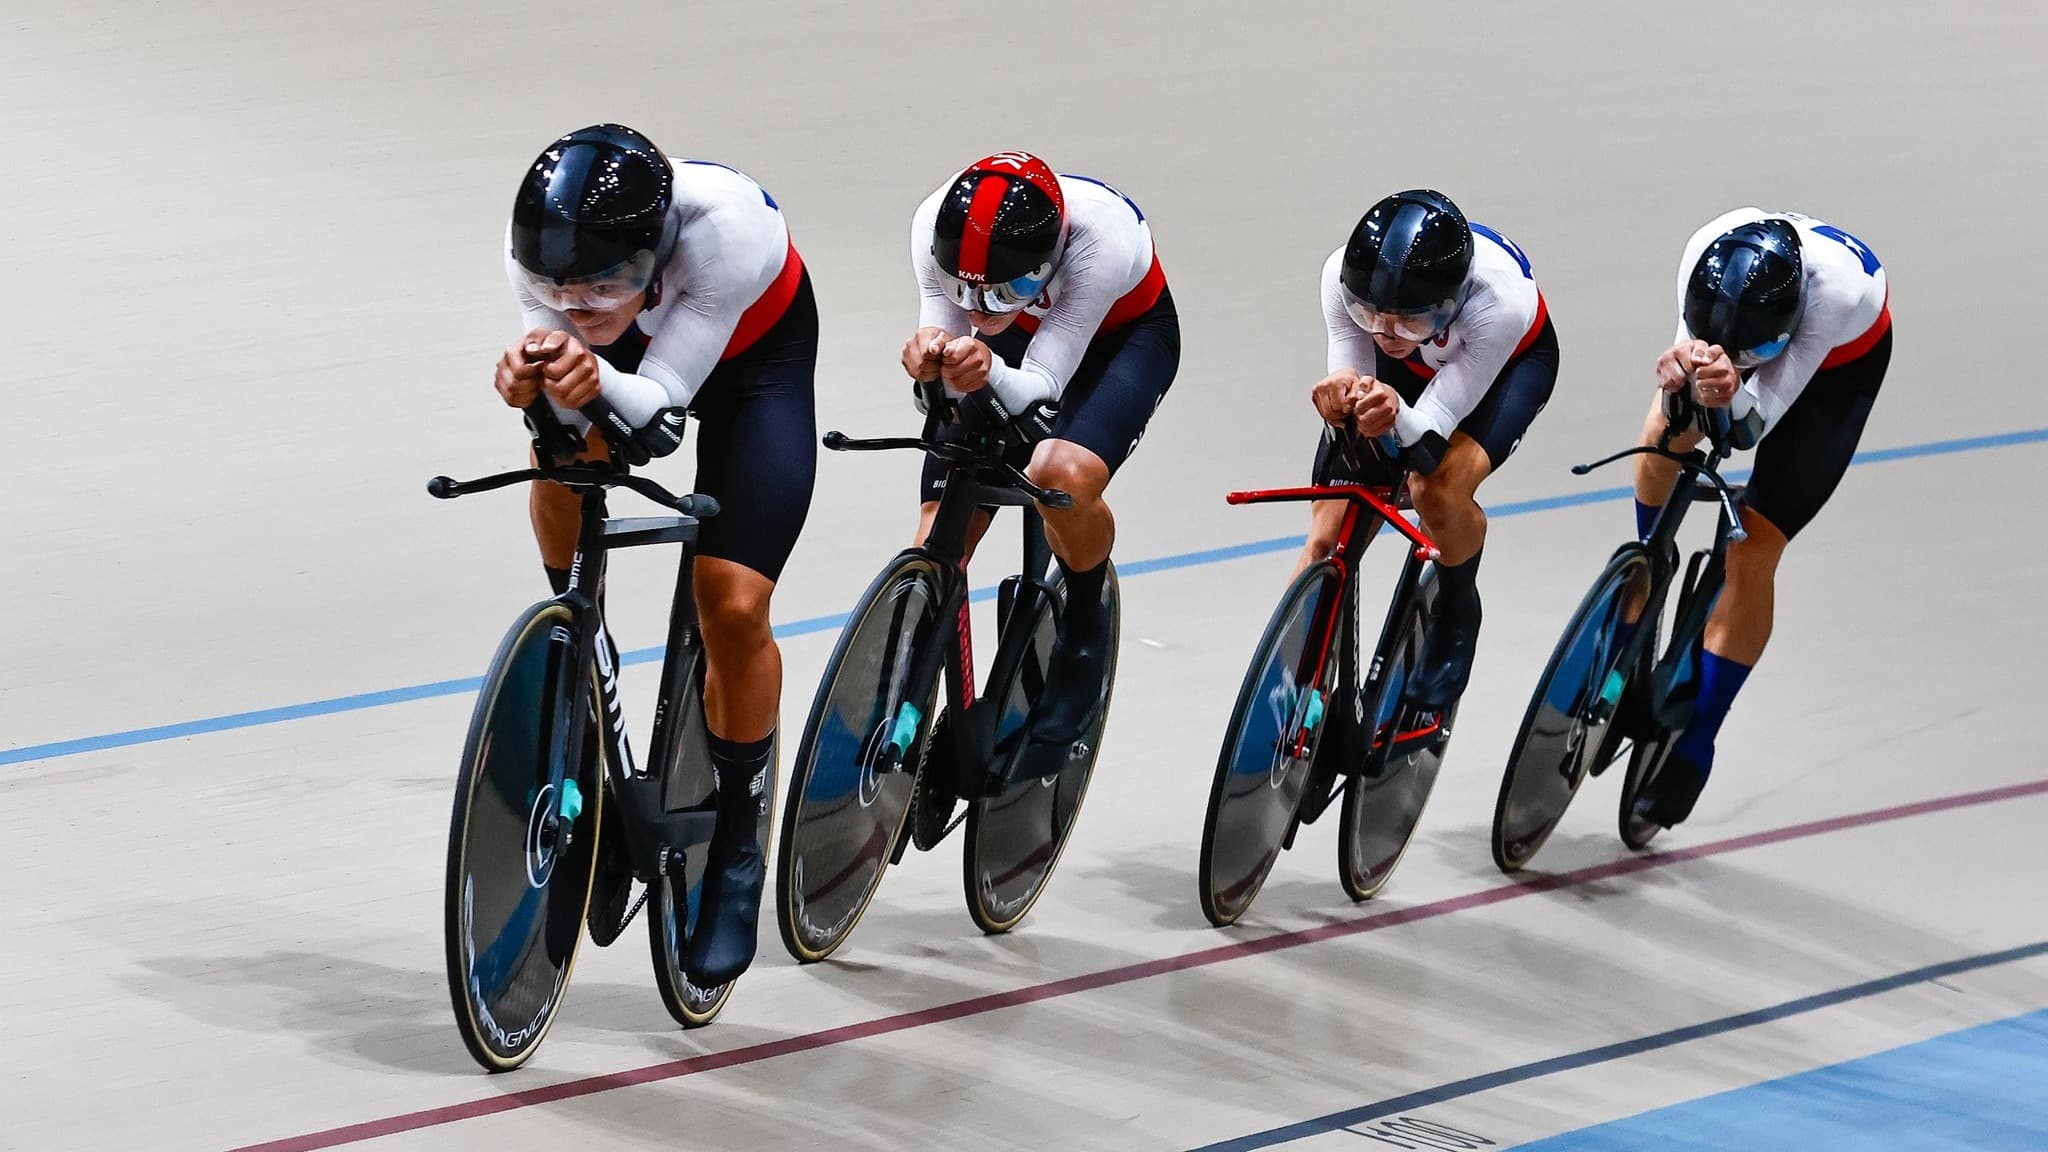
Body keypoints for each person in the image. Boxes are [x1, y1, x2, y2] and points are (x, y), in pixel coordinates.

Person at [492, 123, 819, 987]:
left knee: (732, 604)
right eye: (561, 290)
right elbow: (576, 370)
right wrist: (536, 377)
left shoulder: (723, 238)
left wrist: (590, 373)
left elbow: (660, 417)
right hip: (635, 354)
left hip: (752, 363)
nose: (582, 303)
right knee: (560, 447)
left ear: (656, 248)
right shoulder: (541, 262)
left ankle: (742, 842)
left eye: (608, 282)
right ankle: (573, 639)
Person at [900, 151, 1179, 742]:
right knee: (934, 530)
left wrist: (984, 368)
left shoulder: (1099, 241)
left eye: (1005, 292)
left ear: (1047, 263)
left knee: (1060, 472)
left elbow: (1043, 388)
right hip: (1012, 346)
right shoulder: (933, 224)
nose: (977, 310)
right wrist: (930, 364)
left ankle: (1083, 626)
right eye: (964, 291)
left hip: (1120, 341)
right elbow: (945, 354)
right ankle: (903, 680)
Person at [1630, 208, 1891, 828]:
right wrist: (1687, 378)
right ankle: (1645, 561)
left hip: (1834, 369)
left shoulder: (1837, 292)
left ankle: (1698, 742)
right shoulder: (1703, 252)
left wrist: (1733, 386)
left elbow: (1749, 427)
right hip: (1751, 331)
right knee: (1664, 433)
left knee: (1752, 544)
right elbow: (1684, 389)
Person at [1305, 189, 1558, 710]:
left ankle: (1458, 606)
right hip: (1426, 362)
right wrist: (1342, 399)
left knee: (1434, 488)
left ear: (1449, 305)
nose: (1387, 334)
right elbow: (1354, 374)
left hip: (1506, 367)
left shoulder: (1498, 306)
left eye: (1411, 321)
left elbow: (1427, 435)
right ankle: (1291, 683)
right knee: (1325, 540)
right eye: (1368, 314)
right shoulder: (1340, 278)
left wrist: (1396, 415)